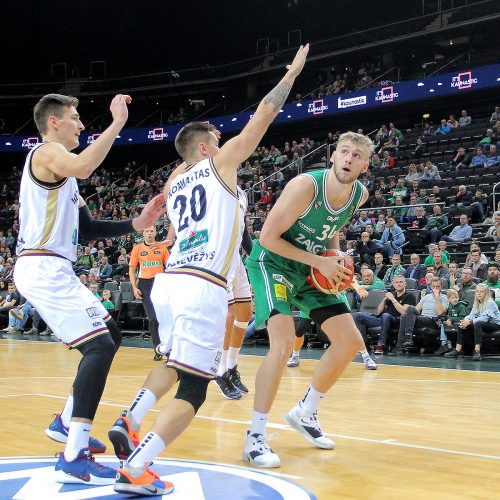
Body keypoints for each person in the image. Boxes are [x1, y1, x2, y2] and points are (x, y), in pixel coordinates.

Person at [108, 45, 310, 495]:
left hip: (169, 281)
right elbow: (263, 115)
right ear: (205, 147)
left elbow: (180, 170)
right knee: (195, 389)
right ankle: (138, 467)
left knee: (170, 360)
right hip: (201, 285)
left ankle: (131, 417)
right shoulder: (218, 164)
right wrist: (292, 75)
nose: (223, 141)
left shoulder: (176, 179)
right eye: (216, 138)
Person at [13, 93, 165, 487]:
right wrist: (116, 124)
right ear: (53, 124)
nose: (82, 125)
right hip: (42, 264)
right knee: (98, 346)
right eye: (76, 118)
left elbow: (90, 230)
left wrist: (137, 222)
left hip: (54, 265)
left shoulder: (62, 173)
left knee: (110, 336)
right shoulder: (47, 153)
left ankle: (67, 423)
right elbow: (82, 166)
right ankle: (73, 454)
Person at [239, 129, 374, 469]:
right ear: (333, 156)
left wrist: (337, 258)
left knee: (350, 341)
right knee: (283, 346)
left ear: (365, 165)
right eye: (344, 151)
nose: (348, 159)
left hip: (312, 266)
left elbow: (333, 226)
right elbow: (267, 238)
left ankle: (305, 411)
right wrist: (321, 262)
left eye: (356, 156)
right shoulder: (305, 186)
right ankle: (255, 437)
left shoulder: (359, 193)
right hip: (274, 264)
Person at [129, 226, 169, 358]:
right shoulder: (137, 249)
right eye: (147, 231)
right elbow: (132, 270)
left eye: (152, 231)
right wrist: (134, 288)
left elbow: (169, 267)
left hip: (161, 283)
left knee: (165, 318)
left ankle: (168, 347)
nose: (149, 233)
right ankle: (157, 348)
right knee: (153, 319)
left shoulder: (162, 248)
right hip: (145, 285)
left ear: (156, 232)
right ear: (143, 233)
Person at [354, 275, 416, 355]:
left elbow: (403, 311)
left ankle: (381, 344)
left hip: (396, 320)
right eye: (396, 282)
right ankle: (364, 345)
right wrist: (384, 299)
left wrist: (393, 299)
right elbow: (379, 311)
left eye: (401, 282)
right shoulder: (391, 295)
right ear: (393, 285)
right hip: (382, 319)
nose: (399, 284)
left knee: (386, 315)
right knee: (357, 315)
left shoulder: (410, 296)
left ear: (405, 284)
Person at [390, 277, 448, 355]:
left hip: (433, 321)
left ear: (441, 287)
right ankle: (402, 344)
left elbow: (440, 312)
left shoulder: (444, 298)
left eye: (437, 287)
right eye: (433, 286)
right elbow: (416, 310)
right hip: (422, 318)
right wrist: (408, 308)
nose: (435, 289)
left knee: (407, 313)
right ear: (430, 287)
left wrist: (437, 297)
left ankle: (404, 341)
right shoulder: (426, 297)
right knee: (405, 314)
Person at [445, 284, 500, 361]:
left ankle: (477, 351)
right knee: (462, 323)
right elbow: (471, 315)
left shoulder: (490, 302)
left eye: (482, 292)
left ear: (486, 293)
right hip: (484, 324)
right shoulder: (477, 302)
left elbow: (485, 318)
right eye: (477, 291)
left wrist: (470, 322)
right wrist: (466, 320)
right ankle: (458, 350)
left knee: (478, 323)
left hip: (495, 324)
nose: (479, 293)